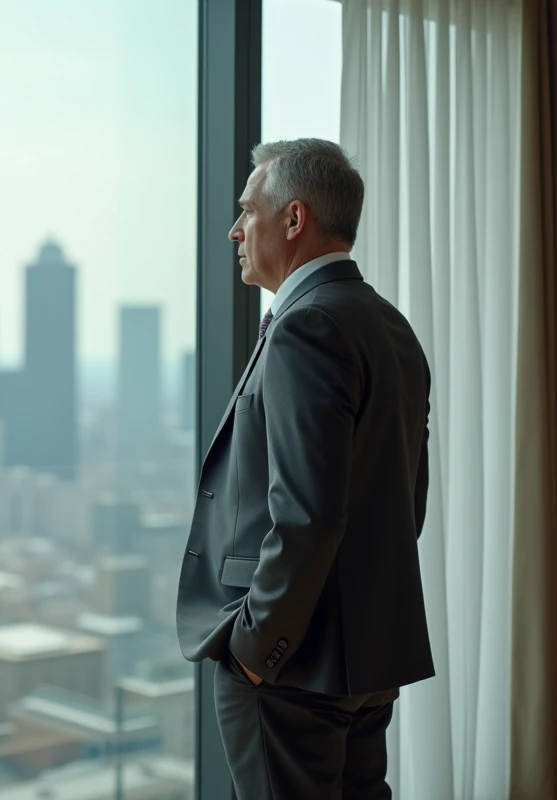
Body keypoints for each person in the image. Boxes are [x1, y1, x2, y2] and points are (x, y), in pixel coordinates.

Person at [175, 138, 433, 799]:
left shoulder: (305, 326)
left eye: (247, 211)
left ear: (293, 220)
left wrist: (259, 652)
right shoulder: (389, 324)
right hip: (368, 657)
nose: (235, 231)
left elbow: (307, 514)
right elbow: (410, 501)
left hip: (295, 667)